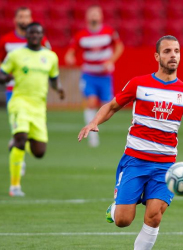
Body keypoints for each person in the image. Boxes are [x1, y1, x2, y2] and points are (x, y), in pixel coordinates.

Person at [78, 35, 183, 250]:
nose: (173, 55)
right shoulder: (139, 84)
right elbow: (111, 107)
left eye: (176, 51)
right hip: (135, 160)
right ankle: (116, 208)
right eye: (167, 51)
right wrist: (94, 121)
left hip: (166, 166)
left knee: (154, 216)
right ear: (157, 56)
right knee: (123, 220)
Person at [0, 22, 65, 197]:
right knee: (21, 137)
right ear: (26, 35)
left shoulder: (50, 57)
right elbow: (1, 72)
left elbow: (53, 78)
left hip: (38, 107)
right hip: (19, 101)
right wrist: (5, 77)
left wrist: (58, 89)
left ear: (42, 36)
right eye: (31, 33)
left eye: (38, 33)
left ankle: (15, 144)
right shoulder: (15, 55)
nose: (34, 36)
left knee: (39, 152)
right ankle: (15, 187)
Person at [65, 5, 124, 147]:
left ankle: (96, 126)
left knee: (108, 105)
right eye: (91, 14)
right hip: (89, 75)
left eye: (96, 14)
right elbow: (70, 53)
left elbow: (119, 47)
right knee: (91, 102)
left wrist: (110, 61)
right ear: (87, 17)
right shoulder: (81, 35)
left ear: (101, 17)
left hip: (105, 76)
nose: (94, 17)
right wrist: (69, 58)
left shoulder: (109, 32)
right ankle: (91, 135)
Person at [0, 6, 51, 104]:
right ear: (15, 19)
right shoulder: (6, 40)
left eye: (27, 17)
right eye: (21, 17)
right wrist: (5, 74)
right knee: (16, 117)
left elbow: (49, 58)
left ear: (31, 19)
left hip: (35, 87)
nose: (24, 20)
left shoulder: (41, 39)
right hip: (13, 86)